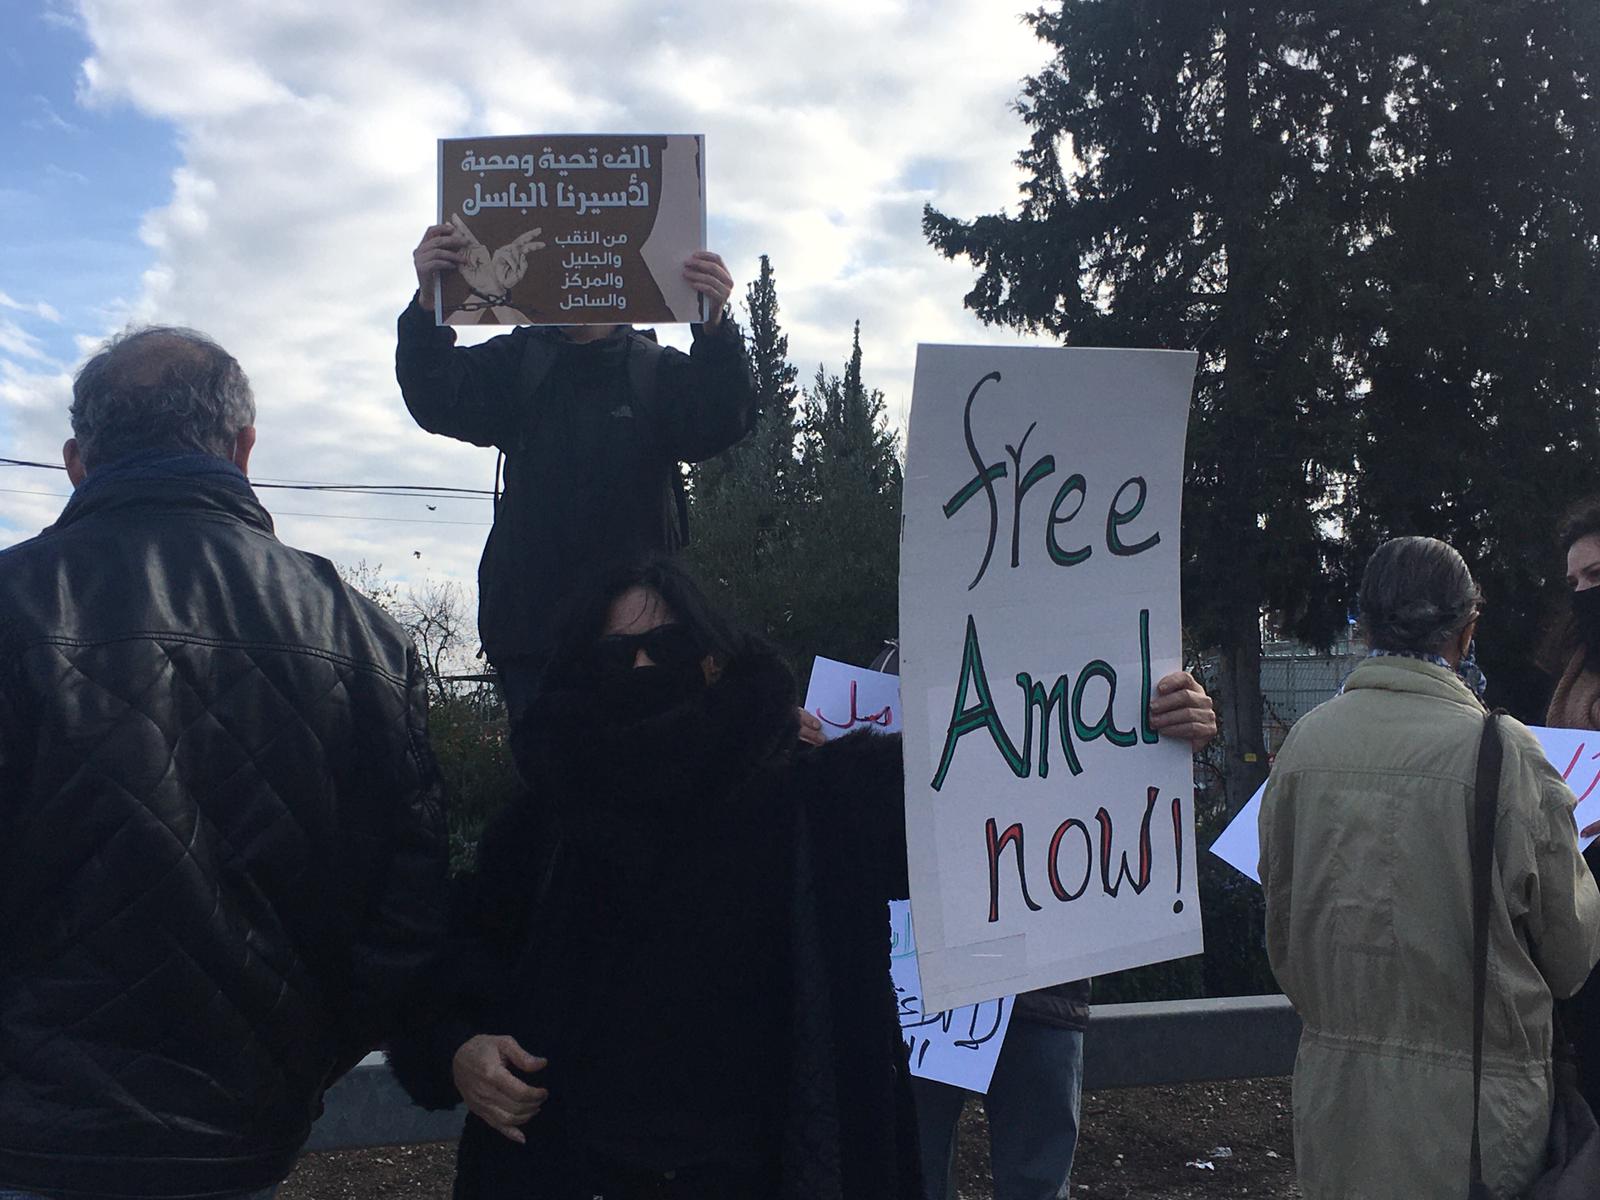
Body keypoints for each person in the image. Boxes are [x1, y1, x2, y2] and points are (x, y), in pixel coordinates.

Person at [0, 327, 449, 1200]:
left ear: (75, 461)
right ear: (244, 449)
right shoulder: (360, 633)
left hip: (28, 1132)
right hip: (247, 1126)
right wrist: (302, 1064)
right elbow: (406, 910)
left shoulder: (13, 604)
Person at [388, 556, 921, 1199]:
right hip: (568, 1172)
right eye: (616, 655)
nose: (642, 669)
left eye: (668, 647)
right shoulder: (546, 821)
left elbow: (973, 796)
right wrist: (457, 1048)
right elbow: (454, 960)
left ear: (712, 660)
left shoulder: (818, 799)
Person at [1260, 536, 1600, 1199]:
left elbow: (1283, 934)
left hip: (1337, 1112)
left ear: (1364, 628)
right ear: (1468, 630)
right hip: (1477, 1126)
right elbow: (1570, 956)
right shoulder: (1505, 755)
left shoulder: (1302, 747)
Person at [868, 645, 1218, 1200]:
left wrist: (1182, 730)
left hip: (1043, 979)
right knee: (912, 1174)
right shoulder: (892, 668)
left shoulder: (1095, 664)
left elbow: (1126, 764)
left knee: (1030, 1182)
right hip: (923, 987)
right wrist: (805, 751)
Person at [398, 224, 756, 723]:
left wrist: (714, 326)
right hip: (533, 642)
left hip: (639, 644)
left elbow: (725, 417)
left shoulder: (654, 372)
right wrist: (427, 305)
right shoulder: (517, 364)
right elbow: (435, 394)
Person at [1541, 496, 1600, 1112]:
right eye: (1574, 582)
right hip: (1583, 923)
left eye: (1596, 575)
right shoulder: (1570, 677)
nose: (1583, 593)